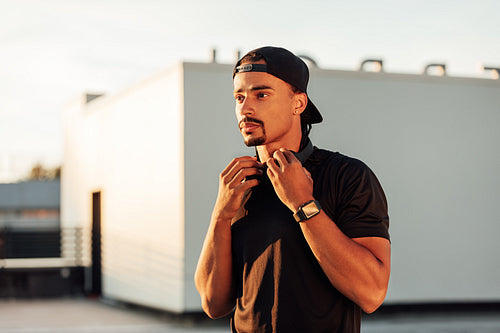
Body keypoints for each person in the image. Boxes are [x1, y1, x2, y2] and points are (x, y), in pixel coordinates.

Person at [195, 46, 391, 333]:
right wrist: (221, 215)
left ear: (298, 103)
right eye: (240, 97)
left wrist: (303, 203)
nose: (245, 107)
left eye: (261, 94)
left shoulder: (347, 175)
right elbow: (213, 304)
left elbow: (371, 293)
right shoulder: (238, 185)